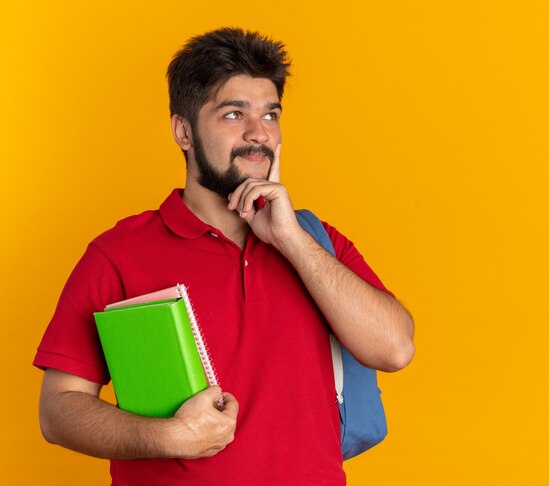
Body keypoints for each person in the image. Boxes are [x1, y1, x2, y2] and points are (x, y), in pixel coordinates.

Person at [34, 27, 415, 485]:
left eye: (270, 115)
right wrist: (172, 437)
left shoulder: (315, 241)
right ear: (183, 131)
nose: (259, 134)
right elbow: (58, 410)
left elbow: (395, 349)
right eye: (234, 114)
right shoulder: (117, 254)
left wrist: (290, 239)